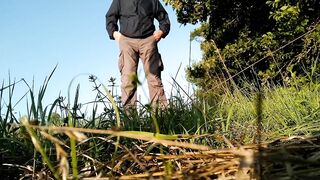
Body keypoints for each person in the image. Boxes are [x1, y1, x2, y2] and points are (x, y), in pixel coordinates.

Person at [106, 0, 170, 110]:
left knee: (154, 78)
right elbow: (110, 17)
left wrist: (161, 31)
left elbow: (163, 17)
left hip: (148, 40)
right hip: (127, 42)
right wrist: (115, 34)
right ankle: (130, 120)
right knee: (128, 80)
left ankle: (161, 118)